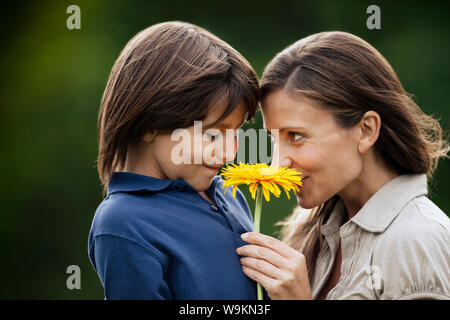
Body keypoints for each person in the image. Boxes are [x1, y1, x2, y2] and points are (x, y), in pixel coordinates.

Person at [236, 31, 450, 300]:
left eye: (297, 136)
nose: (277, 163)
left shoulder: (416, 242)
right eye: (273, 139)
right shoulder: (311, 227)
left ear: (366, 130)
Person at [88, 21, 260, 299]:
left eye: (237, 132)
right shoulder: (124, 223)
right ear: (149, 125)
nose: (229, 154)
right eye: (213, 135)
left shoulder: (229, 194)